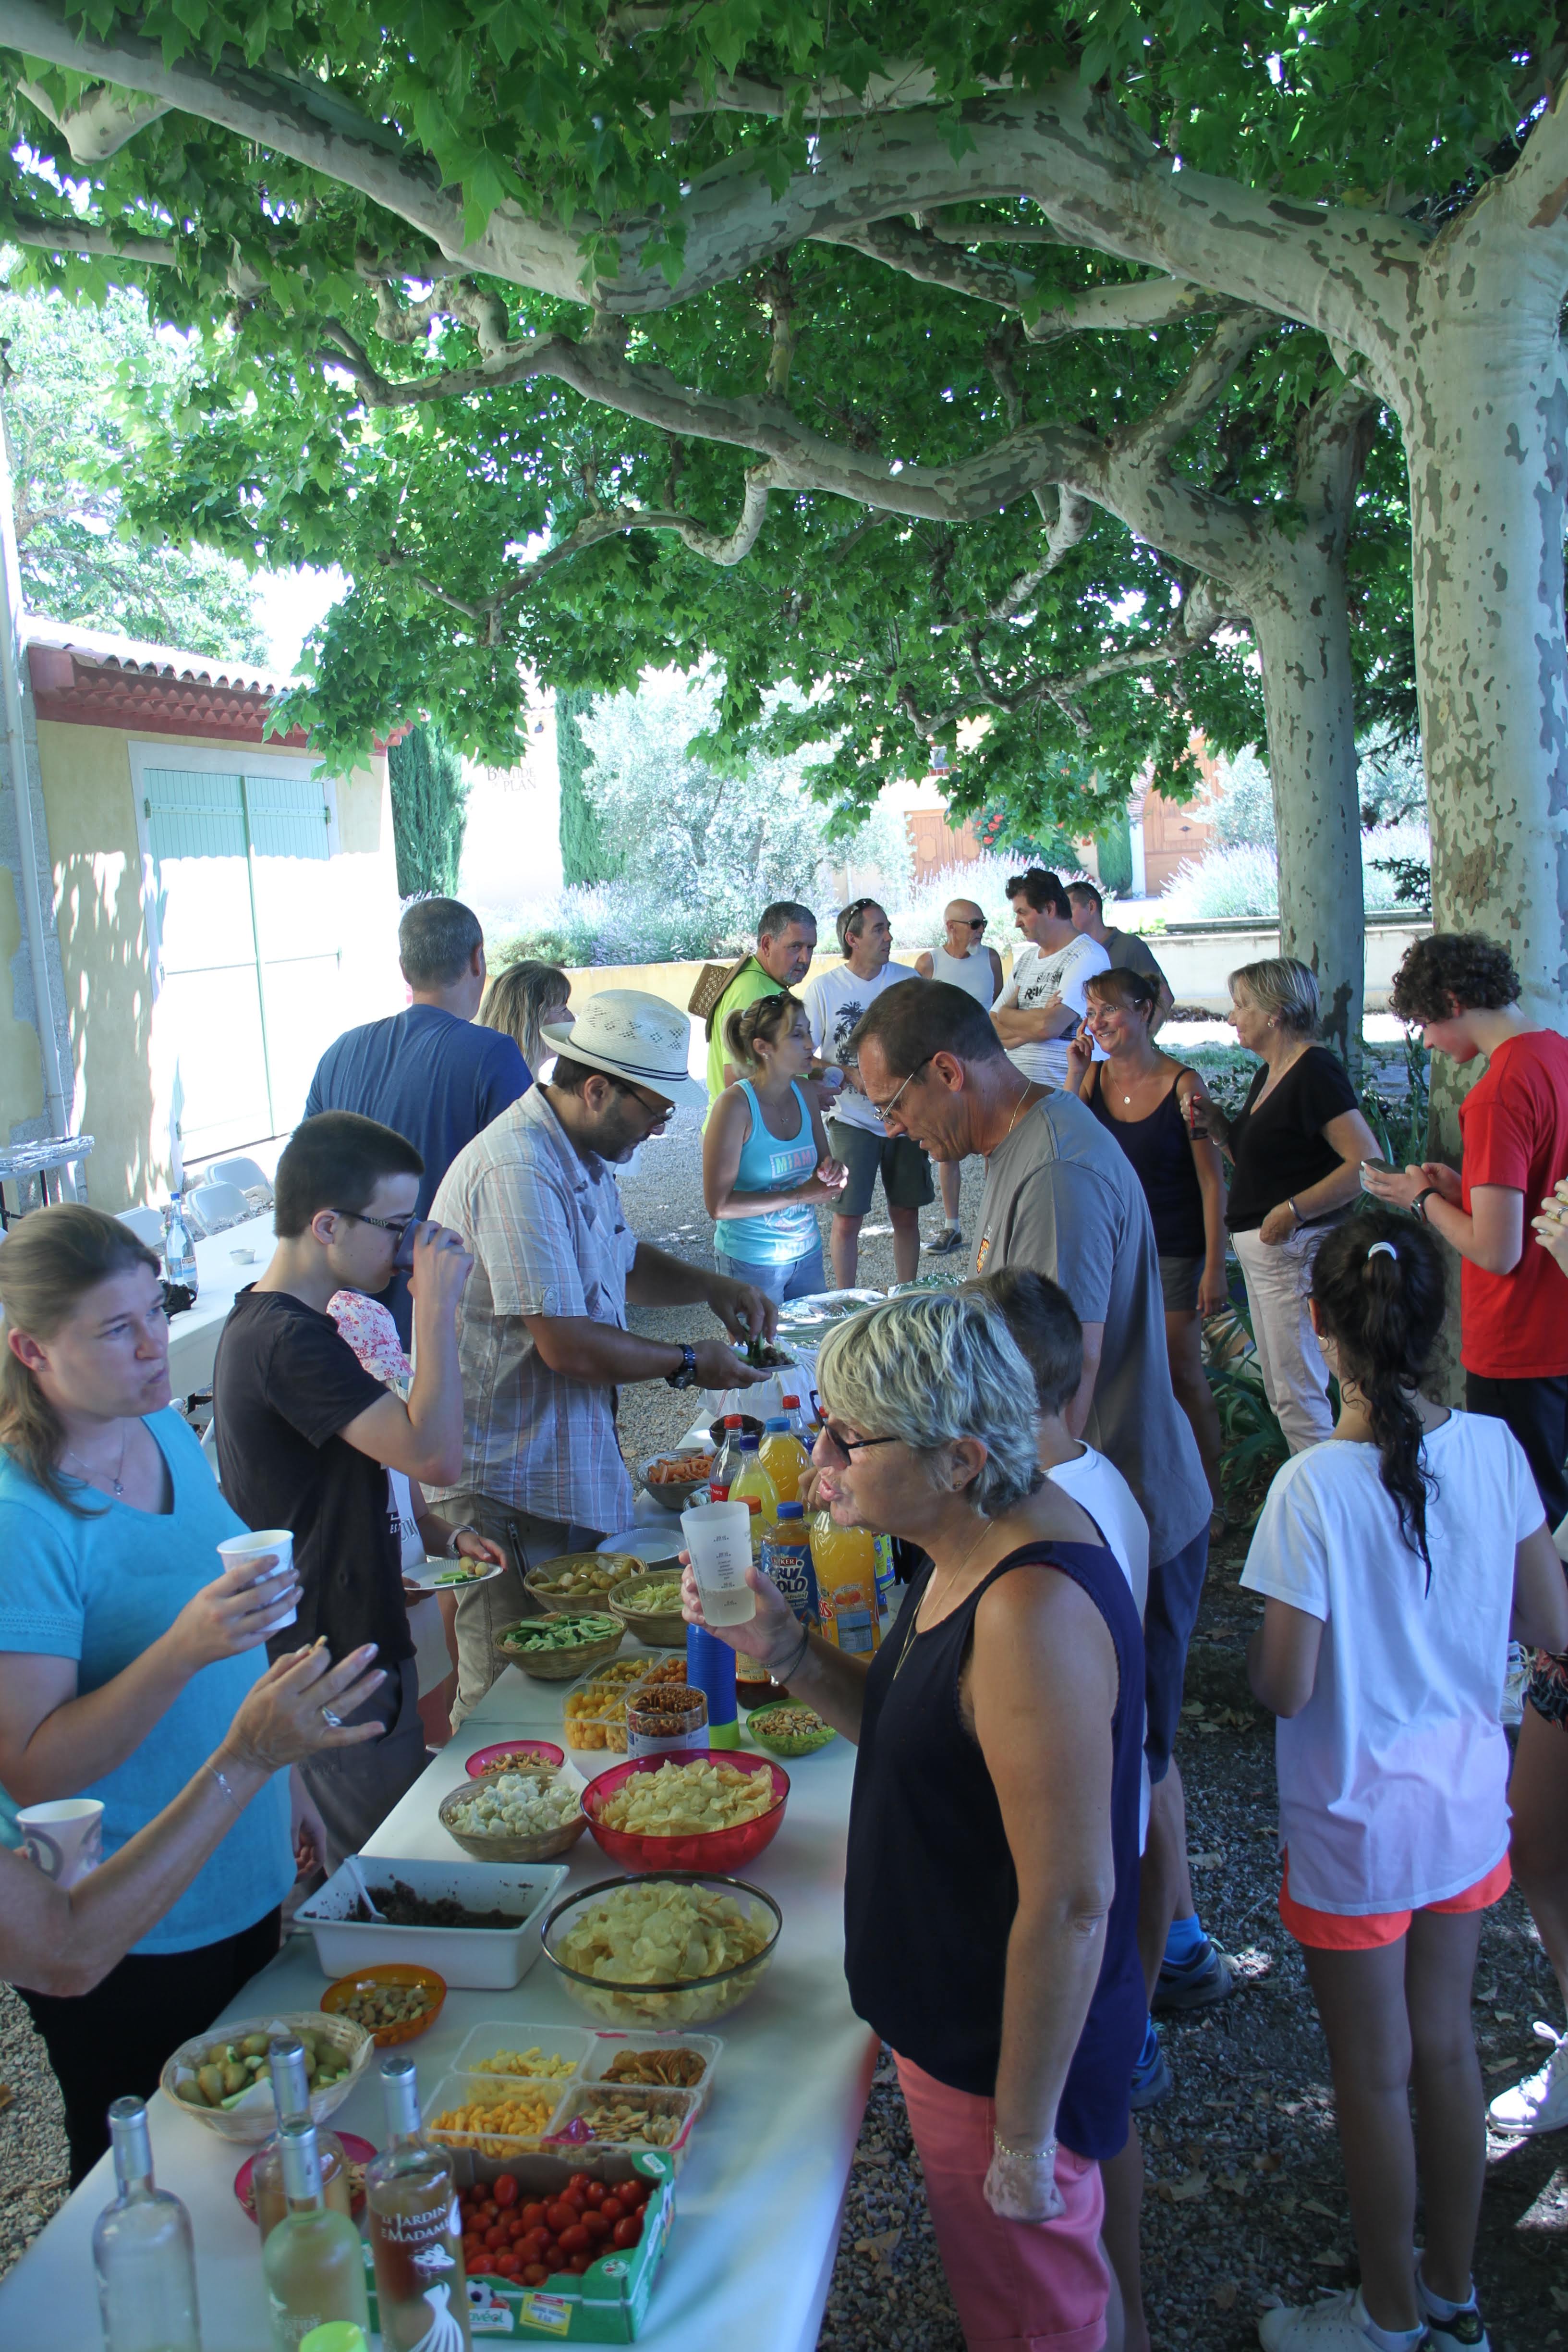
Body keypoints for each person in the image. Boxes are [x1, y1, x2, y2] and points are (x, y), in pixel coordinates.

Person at [682, 1291, 1145, 2352]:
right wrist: (787, 1650)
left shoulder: (1028, 1610)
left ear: (959, 1459)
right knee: (1063, 2301)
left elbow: (1072, 1901)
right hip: (968, 2034)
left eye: (848, 1438)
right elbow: (915, 1730)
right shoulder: (965, 1543)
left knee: (1035, 2321)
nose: (821, 1458)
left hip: (1004, 2055)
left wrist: (1021, 2138)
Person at [851, 980, 1222, 2107]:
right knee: (1137, 1753)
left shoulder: (1053, 1167)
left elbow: (1049, 1381)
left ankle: (1123, 2027)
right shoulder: (1017, 1144)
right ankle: (1180, 1947)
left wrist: (958, 1518)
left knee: (1113, 1784)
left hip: (1110, 1514)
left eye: (894, 1104)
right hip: (1103, 1504)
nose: (896, 1129)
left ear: (947, 1071)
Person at [1240, 1208, 1568, 2352]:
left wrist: (1260, 1650)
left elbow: (1285, 1687)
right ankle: (1452, 2292)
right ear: (1442, 1325)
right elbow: (1548, 1620)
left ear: (1317, 1325)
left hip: (1352, 1828)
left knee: (1372, 2075)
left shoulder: (1310, 1490)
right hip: (1467, 1807)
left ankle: (1383, 2314)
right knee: (1449, 2048)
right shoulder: (1497, 1452)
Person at [0, 1204, 357, 2180]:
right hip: (127, 1913)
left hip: (236, 1848)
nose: (156, 1345)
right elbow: (32, 1769)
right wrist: (182, 1651)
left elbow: (231, 1624)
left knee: (259, 2136)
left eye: (156, 1310)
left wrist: (288, 1783)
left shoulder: (154, 1424)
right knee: (154, 2164)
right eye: (116, 1329)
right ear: (31, 1350)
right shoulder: (22, 1517)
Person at [428, 991, 774, 1723]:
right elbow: (566, 1344)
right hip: (507, 1484)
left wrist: (710, 1286)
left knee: (577, 1676)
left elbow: (622, 1262)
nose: (660, 1128)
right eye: (655, 1111)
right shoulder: (518, 1169)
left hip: (554, 1466)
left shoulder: (577, 1153)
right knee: (506, 1694)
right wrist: (688, 1361)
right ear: (595, 1091)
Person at [1361, 933, 1568, 2141]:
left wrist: (1415, 1198)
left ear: (1449, 1003)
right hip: (1556, 1345)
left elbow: (1493, 1243)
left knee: (1529, 1553)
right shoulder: (1555, 1054)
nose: (1432, 1048)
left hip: (1518, 1345)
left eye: (1427, 1026)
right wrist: (1459, 1178)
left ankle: (1531, 1692)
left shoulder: (1497, 1085)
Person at [213, 1112, 474, 1869]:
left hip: (352, 1649)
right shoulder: (286, 1342)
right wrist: (435, 1308)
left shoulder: (300, 1328)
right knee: (378, 1882)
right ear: (327, 1225)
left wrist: (436, 1537)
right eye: (395, 1226)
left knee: (392, 1861)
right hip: (329, 1665)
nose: (407, 1246)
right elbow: (436, 1455)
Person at [973, 1265, 1155, 2351]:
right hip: (1106, 1849)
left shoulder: (1050, 1523)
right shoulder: (1093, 1479)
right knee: (1101, 2122)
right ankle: (1125, 2311)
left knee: (1077, 2130)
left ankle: (1114, 2315)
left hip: (1075, 1872)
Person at [5, 1640, 385, 1995]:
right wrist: (185, 1648)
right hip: (142, 1922)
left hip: (245, 1882)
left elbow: (236, 1673)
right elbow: (67, 1955)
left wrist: (285, 1778)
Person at [305, 897, 529, 1341]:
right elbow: (524, 1196)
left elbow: (305, 1184)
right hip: (445, 1322)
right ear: (478, 960)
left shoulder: (340, 1052)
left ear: (405, 969)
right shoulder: (493, 1056)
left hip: (348, 1322)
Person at [1201, 958, 1383, 1454]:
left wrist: (1294, 1211)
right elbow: (1262, 1166)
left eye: (1241, 1006)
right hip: (1269, 1250)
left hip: (1294, 1248)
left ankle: (1325, 1489)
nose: (1232, 1018)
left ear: (1275, 1013)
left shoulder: (1313, 1071)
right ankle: (1328, 1482)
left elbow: (1365, 1162)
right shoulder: (1270, 1073)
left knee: (1297, 1393)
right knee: (1288, 1389)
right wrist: (1219, 1129)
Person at [1066, 967, 1228, 1509]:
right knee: (1109, 1369)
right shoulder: (1092, 1079)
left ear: (1143, 1011)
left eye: (1109, 1009)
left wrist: (1214, 1266)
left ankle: (1210, 1494)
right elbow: (1060, 1139)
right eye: (1091, 1012)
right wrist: (1075, 1072)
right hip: (1110, 1249)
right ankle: (1126, 1492)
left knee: (1181, 1371)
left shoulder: (1185, 1085)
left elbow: (1211, 1182)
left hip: (1173, 1247)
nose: (1097, 1022)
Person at [325, 1287, 507, 1747]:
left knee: (432, 1731)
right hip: (370, 1642)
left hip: (419, 1631)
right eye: (374, 1387)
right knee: (395, 1748)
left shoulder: (395, 1448)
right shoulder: (331, 1468)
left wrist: (459, 1540)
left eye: (390, 1384)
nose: (387, 1395)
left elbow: (420, 1518)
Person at [801, 899, 934, 1286]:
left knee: (906, 1214)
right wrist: (847, 1073)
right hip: (851, 1120)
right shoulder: (824, 989)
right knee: (847, 1218)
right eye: (879, 929)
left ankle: (905, 1297)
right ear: (852, 939)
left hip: (906, 1117)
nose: (889, 936)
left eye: (888, 928)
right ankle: (848, 1305)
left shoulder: (910, 983)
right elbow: (802, 1055)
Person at [702, 991, 847, 1305]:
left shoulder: (805, 1091)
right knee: (761, 1340)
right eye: (797, 1035)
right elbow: (719, 1207)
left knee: (812, 1338)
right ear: (762, 1048)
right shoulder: (734, 1106)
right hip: (751, 1262)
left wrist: (836, 1172)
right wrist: (799, 1195)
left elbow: (823, 1167)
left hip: (807, 1254)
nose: (810, 1044)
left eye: (808, 1032)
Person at [916, 897, 1004, 1255]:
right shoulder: (929, 963)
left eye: (983, 923)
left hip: (986, 1062)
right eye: (975, 924)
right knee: (947, 1147)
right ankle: (951, 1226)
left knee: (994, 1144)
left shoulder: (991, 959)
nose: (981, 931)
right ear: (951, 927)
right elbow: (917, 1014)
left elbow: (998, 1007)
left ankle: (994, 1224)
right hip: (945, 1066)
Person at [992, 868, 1110, 1087]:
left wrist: (1007, 1013)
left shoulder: (1087, 955)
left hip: (1065, 1096)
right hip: (1018, 1094)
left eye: (1022, 913)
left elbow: (1048, 1025)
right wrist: (1035, 1028)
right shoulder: (1026, 960)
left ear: (1049, 909)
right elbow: (992, 1029)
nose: (1017, 923)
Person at [703, 899, 822, 1105]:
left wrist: (821, 1074)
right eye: (795, 947)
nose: (805, 958)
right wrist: (808, 1094)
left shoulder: (763, 981)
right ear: (767, 945)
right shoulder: (752, 988)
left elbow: (774, 1063)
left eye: (810, 948)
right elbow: (738, 1082)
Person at [1067, 881, 1175, 1029]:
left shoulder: (1129, 946)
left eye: (1069, 909)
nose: (1064, 917)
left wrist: (1145, 1037)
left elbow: (1165, 997)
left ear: (1091, 907)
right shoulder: (1070, 953)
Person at [479, 957, 572, 1077]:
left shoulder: (494, 1071)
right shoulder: (511, 1082)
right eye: (562, 1009)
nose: (571, 1019)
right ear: (529, 1021)